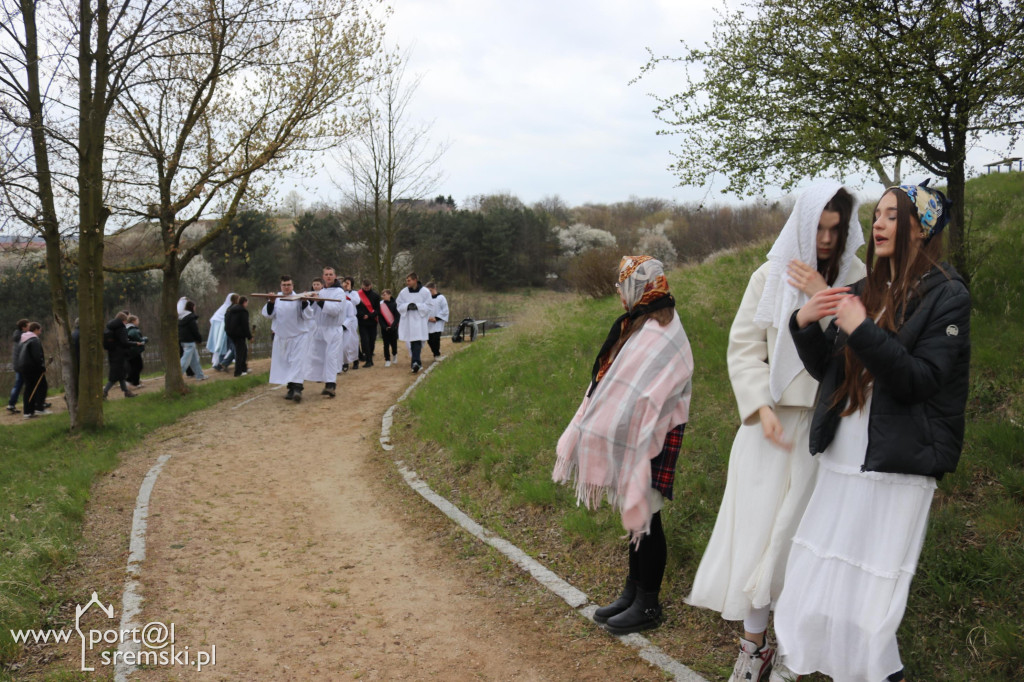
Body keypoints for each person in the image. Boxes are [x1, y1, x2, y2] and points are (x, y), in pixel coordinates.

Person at [770, 182, 970, 682]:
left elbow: (918, 380)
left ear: (921, 230)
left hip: (896, 462)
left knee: (870, 603)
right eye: (877, 215)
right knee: (825, 587)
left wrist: (862, 329)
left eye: (892, 216)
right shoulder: (864, 292)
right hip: (844, 454)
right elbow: (831, 374)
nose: (877, 225)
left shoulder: (949, 296)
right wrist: (804, 324)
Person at [685, 181, 866, 682]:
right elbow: (743, 347)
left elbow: (861, 348)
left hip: (827, 426)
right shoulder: (768, 275)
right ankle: (753, 646)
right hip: (767, 426)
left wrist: (819, 297)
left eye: (836, 229)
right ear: (802, 224)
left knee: (797, 537)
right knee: (758, 533)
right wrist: (759, 407)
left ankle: (789, 647)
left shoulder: (858, 277)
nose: (827, 240)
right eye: (819, 228)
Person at [553, 256, 694, 635]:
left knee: (647, 516)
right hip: (641, 435)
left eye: (623, 285)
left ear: (642, 286)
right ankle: (632, 591)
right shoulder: (644, 322)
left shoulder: (663, 329)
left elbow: (655, 389)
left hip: (656, 435)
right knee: (636, 515)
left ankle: (649, 604)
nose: (618, 291)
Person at [261, 274, 315, 402]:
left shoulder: (298, 298)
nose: (286, 287)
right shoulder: (276, 299)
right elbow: (268, 315)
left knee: (297, 362)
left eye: (289, 285)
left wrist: (304, 302)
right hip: (282, 337)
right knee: (285, 364)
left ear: (293, 285)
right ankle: (291, 388)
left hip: (298, 336)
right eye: (284, 285)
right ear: (281, 286)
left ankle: (297, 389)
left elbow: (307, 316)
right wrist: (272, 302)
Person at [305, 277, 345, 397]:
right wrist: (309, 301)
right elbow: (311, 311)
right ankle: (321, 379)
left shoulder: (340, 292)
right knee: (318, 356)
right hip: (320, 329)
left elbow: (335, 310)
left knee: (331, 356)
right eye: (326, 274)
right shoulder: (321, 293)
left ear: (334, 276)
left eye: (330, 274)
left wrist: (320, 301)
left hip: (333, 329)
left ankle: (331, 385)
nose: (328, 276)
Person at [396, 272, 433, 373]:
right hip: (408, 320)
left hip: (419, 320)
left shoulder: (425, 292)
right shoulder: (403, 292)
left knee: (417, 341)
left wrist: (417, 306)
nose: (407, 282)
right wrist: (407, 306)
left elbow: (429, 305)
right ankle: (416, 363)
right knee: (413, 342)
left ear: (415, 280)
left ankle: (415, 363)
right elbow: (399, 305)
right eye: (406, 280)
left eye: (409, 280)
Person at [16, 322, 49, 419]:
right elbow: (37, 356)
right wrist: (42, 367)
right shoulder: (34, 340)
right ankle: (39, 408)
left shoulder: (23, 339)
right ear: (36, 330)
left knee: (29, 388)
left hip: (23, 367)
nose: (40, 332)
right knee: (42, 386)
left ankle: (28, 411)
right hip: (33, 367)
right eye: (40, 330)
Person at [105, 311, 141, 397]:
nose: (126, 323)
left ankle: (126, 392)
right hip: (120, 354)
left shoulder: (110, 327)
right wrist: (135, 343)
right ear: (123, 320)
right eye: (126, 321)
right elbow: (124, 342)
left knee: (121, 374)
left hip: (112, 353)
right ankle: (104, 392)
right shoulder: (121, 328)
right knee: (114, 376)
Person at [178, 301, 206, 382]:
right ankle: (177, 377)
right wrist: (199, 339)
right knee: (185, 360)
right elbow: (195, 330)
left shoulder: (182, 318)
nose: (195, 308)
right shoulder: (191, 318)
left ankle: (200, 375)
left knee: (195, 359)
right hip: (189, 341)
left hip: (183, 340)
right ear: (192, 307)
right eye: (194, 307)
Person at [208, 293, 237, 371]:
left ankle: (222, 363)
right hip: (225, 333)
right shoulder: (227, 308)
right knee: (228, 348)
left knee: (230, 348)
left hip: (225, 332)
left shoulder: (224, 308)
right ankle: (222, 363)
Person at [356, 279, 381, 367]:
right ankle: (368, 360)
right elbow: (356, 308)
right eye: (365, 287)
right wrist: (362, 315)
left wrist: (370, 315)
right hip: (362, 321)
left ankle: (370, 355)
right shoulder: (357, 295)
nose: (366, 288)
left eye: (368, 287)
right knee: (364, 340)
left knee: (372, 340)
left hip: (372, 321)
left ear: (371, 285)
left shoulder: (375, 296)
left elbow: (378, 309)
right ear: (362, 285)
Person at [225, 295, 252, 376]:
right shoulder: (243, 311)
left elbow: (226, 321)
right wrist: (249, 336)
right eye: (247, 303)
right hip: (239, 335)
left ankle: (244, 369)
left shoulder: (230, 310)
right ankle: (238, 372)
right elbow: (245, 325)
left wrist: (228, 331)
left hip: (231, 334)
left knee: (243, 351)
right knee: (240, 353)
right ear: (244, 302)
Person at [340, 276, 363, 368]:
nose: (346, 284)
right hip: (341, 318)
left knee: (353, 339)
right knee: (342, 341)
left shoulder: (354, 293)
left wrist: (348, 293)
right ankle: (344, 361)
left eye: (348, 283)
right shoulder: (339, 292)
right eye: (345, 282)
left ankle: (355, 359)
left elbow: (357, 302)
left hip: (352, 318)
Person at [6, 319, 28, 414]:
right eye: (28, 325)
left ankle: (11, 404)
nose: (29, 327)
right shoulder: (22, 338)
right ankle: (36, 403)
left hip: (17, 365)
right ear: (23, 327)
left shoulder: (17, 336)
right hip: (21, 365)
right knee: (29, 384)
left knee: (18, 385)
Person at [425, 281, 449, 360]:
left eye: (430, 291)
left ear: (434, 289)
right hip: (428, 322)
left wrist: (436, 318)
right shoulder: (426, 299)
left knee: (436, 339)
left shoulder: (441, 298)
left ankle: (437, 354)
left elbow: (445, 310)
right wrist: (427, 317)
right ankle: (435, 352)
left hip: (437, 322)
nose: (429, 293)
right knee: (429, 340)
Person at [378, 289, 400, 367]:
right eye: (382, 295)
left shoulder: (395, 304)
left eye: (385, 294)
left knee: (394, 343)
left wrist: (393, 326)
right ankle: (387, 359)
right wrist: (384, 326)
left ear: (389, 295)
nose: (383, 296)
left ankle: (394, 355)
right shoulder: (380, 305)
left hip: (393, 328)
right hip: (385, 329)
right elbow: (380, 318)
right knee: (386, 344)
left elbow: (397, 317)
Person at [125, 315, 147, 388]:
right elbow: (139, 340)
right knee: (138, 366)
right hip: (134, 351)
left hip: (128, 351)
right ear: (133, 321)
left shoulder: (126, 328)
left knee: (134, 367)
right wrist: (145, 339)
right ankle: (131, 381)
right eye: (137, 320)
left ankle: (134, 382)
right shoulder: (133, 330)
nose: (138, 322)